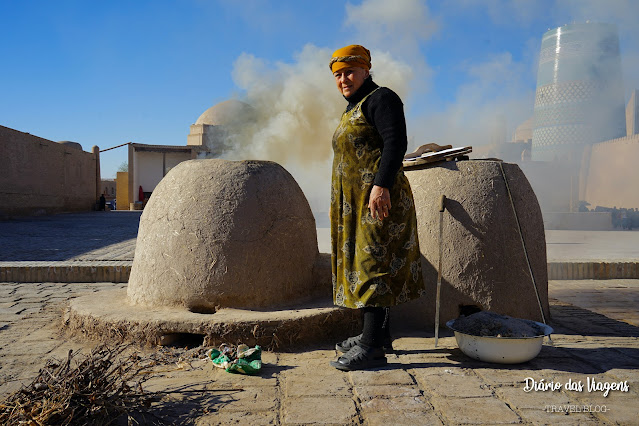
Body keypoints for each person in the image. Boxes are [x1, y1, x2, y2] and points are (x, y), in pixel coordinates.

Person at [328, 45, 424, 371]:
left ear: (366, 70)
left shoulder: (382, 98)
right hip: (357, 204)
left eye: (349, 72)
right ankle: (378, 337)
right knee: (366, 262)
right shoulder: (353, 106)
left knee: (372, 267)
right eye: (338, 74)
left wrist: (380, 186)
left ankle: (371, 348)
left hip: (378, 199)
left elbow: (396, 141)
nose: (344, 79)